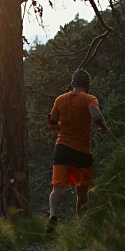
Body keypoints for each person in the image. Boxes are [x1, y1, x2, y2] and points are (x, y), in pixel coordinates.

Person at [45, 69, 107, 233]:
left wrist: (62, 127)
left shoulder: (60, 99)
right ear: (87, 85)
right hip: (82, 152)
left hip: (62, 149)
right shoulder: (89, 99)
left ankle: (52, 215)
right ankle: (82, 227)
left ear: (73, 84)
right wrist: (103, 127)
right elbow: (96, 117)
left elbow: (51, 123)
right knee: (82, 193)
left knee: (57, 188)